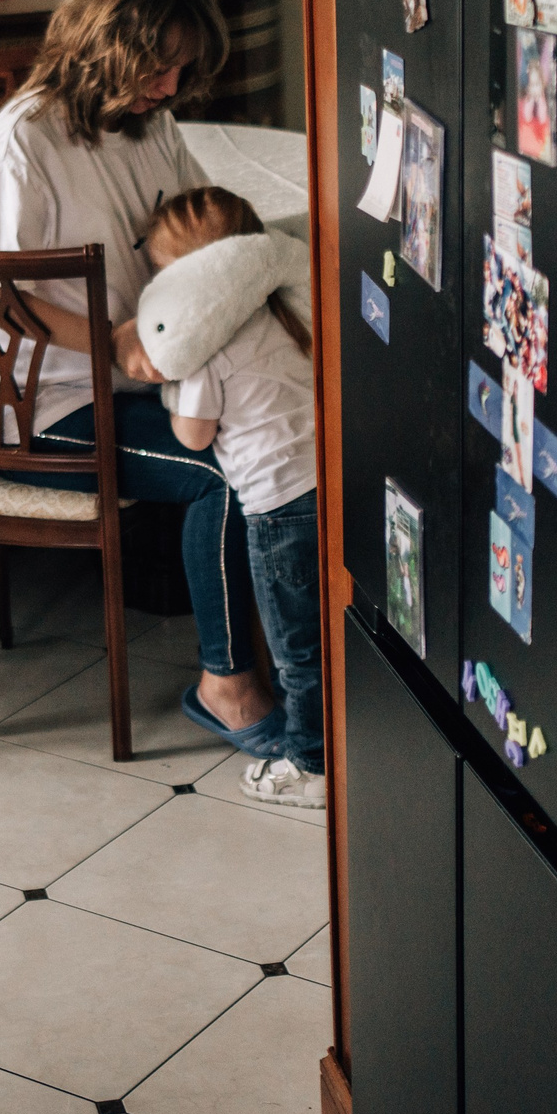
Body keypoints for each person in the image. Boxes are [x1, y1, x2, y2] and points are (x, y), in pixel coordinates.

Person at [0, 0, 280, 749]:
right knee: (225, 473)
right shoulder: (21, 145)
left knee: (276, 437)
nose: (170, 85)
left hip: (134, 382)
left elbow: (211, 220)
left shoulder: (147, 120)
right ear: (105, 45)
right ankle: (225, 685)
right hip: (35, 403)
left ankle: (277, 647)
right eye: (158, 65)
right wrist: (108, 338)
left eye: (180, 69)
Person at [143, 187, 324, 809]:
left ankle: (311, 766)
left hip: (277, 509)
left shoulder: (198, 350)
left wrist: (168, 396)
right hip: (332, 484)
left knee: (295, 652)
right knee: (330, 631)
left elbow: (195, 435)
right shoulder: (289, 304)